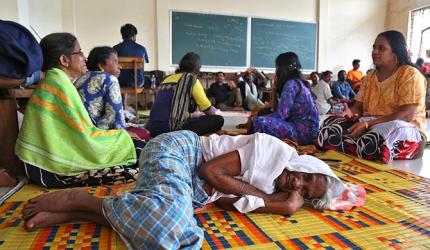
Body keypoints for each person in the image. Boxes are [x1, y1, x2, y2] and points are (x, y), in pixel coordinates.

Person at [22, 131, 365, 249]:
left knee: (181, 234)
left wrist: (277, 205)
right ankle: (79, 199)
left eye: (305, 189)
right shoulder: (273, 151)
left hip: (189, 187)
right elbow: (211, 170)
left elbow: (229, 202)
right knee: (170, 223)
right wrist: (271, 202)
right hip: (179, 151)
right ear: (305, 164)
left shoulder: (281, 192)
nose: (297, 183)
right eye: (304, 175)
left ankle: (78, 213)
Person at [15, 33, 145, 188]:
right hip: (51, 169)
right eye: (80, 52)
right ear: (64, 60)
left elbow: (78, 130)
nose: (85, 58)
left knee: (137, 148)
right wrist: (121, 136)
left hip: (41, 162)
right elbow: (85, 136)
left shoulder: (59, 81)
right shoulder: (59, 84)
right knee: (138, 157)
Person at [318, 30, 427, 163]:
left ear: (395, 52)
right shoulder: (370, 77)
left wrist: (368, 124)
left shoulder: (409, 74)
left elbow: (406, 115)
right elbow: (358, 107)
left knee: (385, 131)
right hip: (369, 124)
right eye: (374, 47)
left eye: (381, 48)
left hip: (403, 130)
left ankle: (355, 144)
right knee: (329, 126)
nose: (375, 52)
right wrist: (352, 114)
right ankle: (359, 146)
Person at [147, 52, 223, 136]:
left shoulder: (167, 78)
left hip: (152, 127)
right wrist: (217, 112)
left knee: (197, 117)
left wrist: (192, 115)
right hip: (171, 129)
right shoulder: (191, 80)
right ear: (198, 68)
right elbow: (207, 109)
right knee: (218, 120)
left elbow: (169, 108)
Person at [252, 52, 320, 145]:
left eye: (277, 67)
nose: (276, 70)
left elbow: (281, 115)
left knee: (258, 121)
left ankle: (256, 148)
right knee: (263, 114)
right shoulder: (299, 82)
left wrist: (257, 119)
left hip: (301, 133)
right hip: (309, 132)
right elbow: (276, 110)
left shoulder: (291, 84)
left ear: (282, 68)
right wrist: (275, 89)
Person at [74, 46, 125, 129]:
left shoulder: (80, 78)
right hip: (95, 134)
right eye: (115, 61)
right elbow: (115, 118)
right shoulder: (110, 79)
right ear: (101, 65)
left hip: (78, 130)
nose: (120, 66)